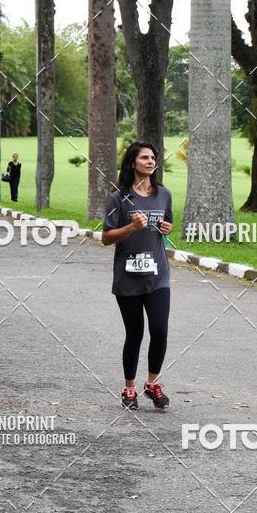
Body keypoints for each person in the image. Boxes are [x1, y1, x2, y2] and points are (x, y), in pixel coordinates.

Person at [102, 141, 173, 411]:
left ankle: (152, 384)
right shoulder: (118, 198)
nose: (151, 161)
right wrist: (130, 227)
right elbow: (106, 237)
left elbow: (167, 223)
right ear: (133, 162)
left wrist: (167, 228)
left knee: (160, 330)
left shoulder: (163, 194)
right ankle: (129, 388)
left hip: (157, 277)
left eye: (153, 157)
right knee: (135, 333)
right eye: (145, 157)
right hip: (128, 278)